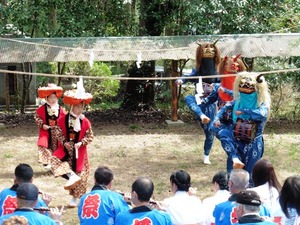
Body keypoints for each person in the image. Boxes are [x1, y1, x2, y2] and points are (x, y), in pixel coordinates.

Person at [211, 72, 271, 181]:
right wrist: (216, 119)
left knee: (251, 176)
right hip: (236, 141)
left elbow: (262, 114)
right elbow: (224, 108)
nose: (245, 96)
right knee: (217, 130)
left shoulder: (262, 104)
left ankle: (249, 196)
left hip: (253, 144)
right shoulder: (237, 101)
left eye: (248, 94)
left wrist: (244, 110)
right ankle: (235, 158)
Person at [51, 77, 94, 208]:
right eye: (77, 107)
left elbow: (90, 136)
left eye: (81, 107)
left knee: (81, 175)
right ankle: (71, 176)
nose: (80, 109)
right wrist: (64, 142)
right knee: (54, 162)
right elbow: (57, 131)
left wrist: (81, 143)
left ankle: (75, 199)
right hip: (66, 149)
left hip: (79, 152)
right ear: (72, 106)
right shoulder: (63, 119)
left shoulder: (85, 121)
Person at [177, 42, 221, 164]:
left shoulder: (218, 72)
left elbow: (224, 83)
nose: (208, 51)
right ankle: (201, 116)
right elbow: (187, 76)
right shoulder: (197, 71)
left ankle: (206, 155)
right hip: (198, 102)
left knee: (210, 132)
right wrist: (181, 79)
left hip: (211, 104)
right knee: (188, 98)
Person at [35, 83, 65, 170]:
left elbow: (65, 118)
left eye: (54, 97)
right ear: (46, 98)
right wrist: (42, 124)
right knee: (45, 146)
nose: (53, 99)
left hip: (57, 132)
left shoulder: (60, 108)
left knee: (57, 148)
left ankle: (54, 164)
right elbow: (37, 117)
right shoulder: (42, 108)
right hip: (46, 131)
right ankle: (47, 162)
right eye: (51, 97)